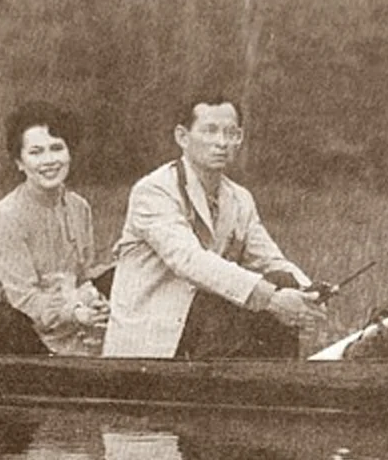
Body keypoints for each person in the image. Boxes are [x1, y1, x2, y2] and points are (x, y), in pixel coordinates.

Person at [102, 96, 326, 359]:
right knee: (262, 296)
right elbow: (190, 260)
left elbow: (270, 259)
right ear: (182, 137)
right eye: (210, 131)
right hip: (156, 336)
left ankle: (273, 388)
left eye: (231, 133)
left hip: (205, 325)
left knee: (282, 280)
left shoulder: (239, 198)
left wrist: (307, 294)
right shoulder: (153, 191)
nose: (222, 142)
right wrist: (273, 298)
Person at [0, 102, 111, 356]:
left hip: (61, 320)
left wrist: (96, 303)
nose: (49, 161)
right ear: (20, 162)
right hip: (8, 326)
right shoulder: (8, 215)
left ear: (70, 153)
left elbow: (82, 277)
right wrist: (76, 312)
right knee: (7, 324)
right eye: (36, 152)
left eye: (57, 148)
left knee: (118, 279)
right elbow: (23, 300)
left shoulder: (79, 207)